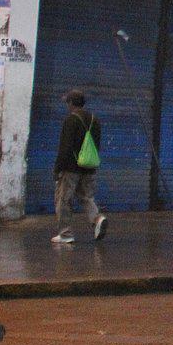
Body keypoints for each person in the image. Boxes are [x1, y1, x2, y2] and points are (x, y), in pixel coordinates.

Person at [51, 89, 107, 244]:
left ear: (71, 103)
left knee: (64, 199)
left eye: (67, 102)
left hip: (71, 168)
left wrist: (58, 169)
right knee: (86, 196)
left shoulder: (71, 120)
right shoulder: (94, 120)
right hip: (89, 166)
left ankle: (65, 233)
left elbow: (65, 147)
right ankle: (97, 219)